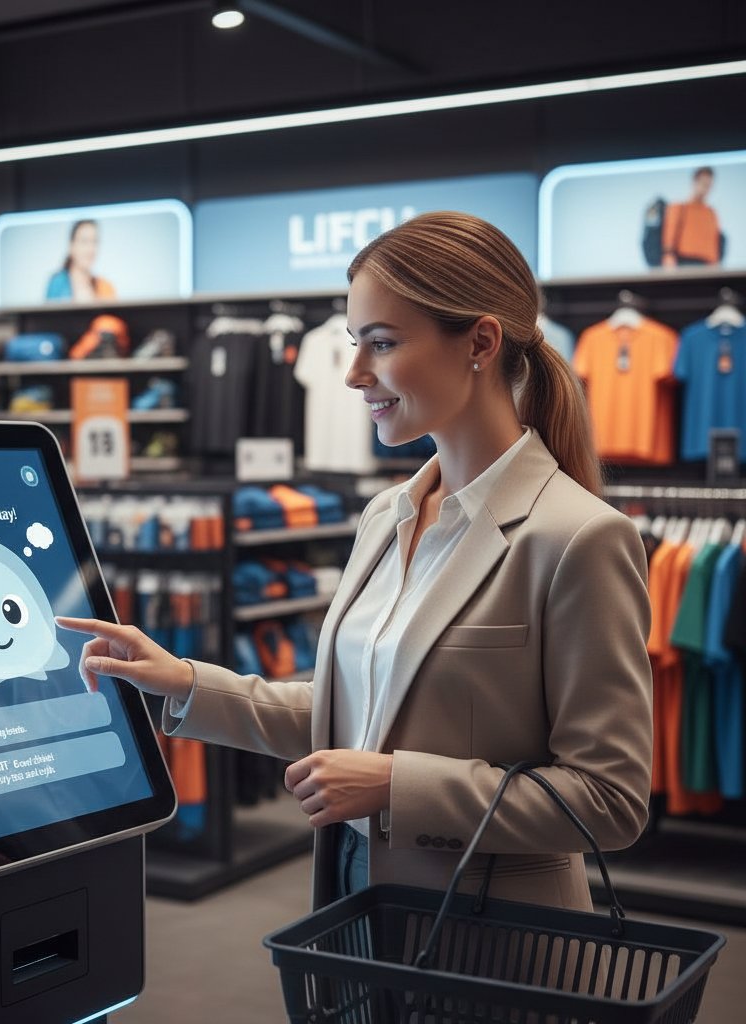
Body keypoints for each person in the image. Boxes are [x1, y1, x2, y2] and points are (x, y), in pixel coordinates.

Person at [59, 211, 653, 913]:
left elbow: (610, 801)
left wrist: (397, 786)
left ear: (480, 343)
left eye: (381, 343)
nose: (352, 373)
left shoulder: (579, 537)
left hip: (494, 954)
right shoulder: (386, 515)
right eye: (352, 343)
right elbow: (353, 715)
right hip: (357, 933)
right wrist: (182, 681)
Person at [662, 167, 723, 267]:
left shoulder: (711, 213)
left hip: (707, 265)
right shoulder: (679, 208)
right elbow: (669, 237)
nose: (706, 189)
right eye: (704, 184)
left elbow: (715, 242)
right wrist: (668, 257)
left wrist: (715, 265)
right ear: (694, 182)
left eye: (709, 186)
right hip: (684, 262)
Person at [45, 219, 117, 301]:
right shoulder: (57, 283)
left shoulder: (105, 287)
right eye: (84, 241)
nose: (90, 249)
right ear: (71, 246)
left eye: (94, 242)